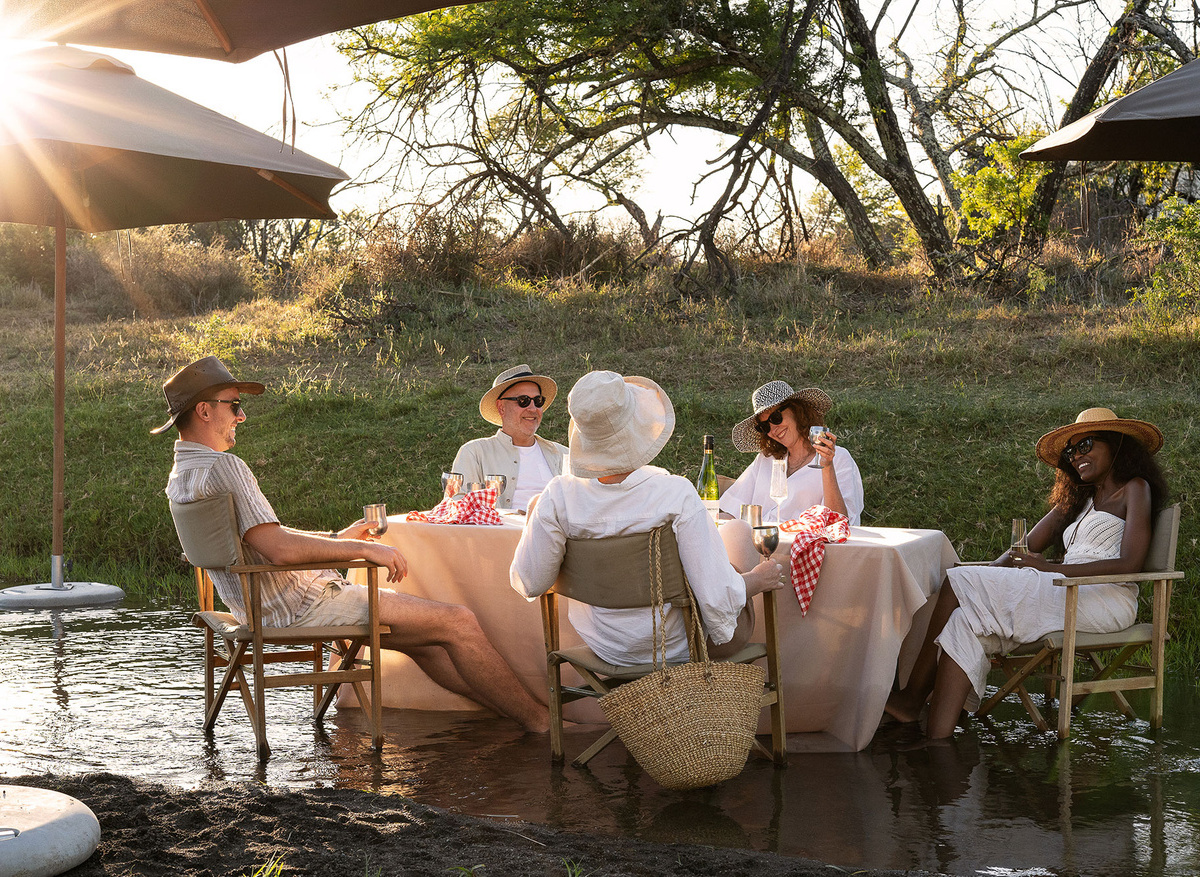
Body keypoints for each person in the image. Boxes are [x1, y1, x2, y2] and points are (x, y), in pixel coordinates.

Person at [155, 355, 550, 733]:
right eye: (233, 405)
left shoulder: (181, 474)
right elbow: (279, 548)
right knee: (458, 622)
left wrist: (337, 538)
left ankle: (515, 717)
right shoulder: (225, 466)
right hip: (300, 607)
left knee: (429, 643)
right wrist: (362, 549)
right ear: (205, 411)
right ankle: (539, 721)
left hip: (252, 607)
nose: (241, 416)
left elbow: (260, 541)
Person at [885, 407, 1169, 740]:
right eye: (1071, 451)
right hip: (1063, 589)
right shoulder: (1080, 500)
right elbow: (1022, 547)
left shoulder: (1135, 489)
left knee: (956, 581)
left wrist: (1043, 568)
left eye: (1086, 444)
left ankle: (912, 697)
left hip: (1104, 598)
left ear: (1117, 445)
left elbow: (1129, 565)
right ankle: (938, 746)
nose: (1077, 456)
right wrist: (990, 575)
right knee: (963, 621)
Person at [509, 370, 784, 666]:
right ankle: (718, 702)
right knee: (739, 535)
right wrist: (756, 580)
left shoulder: (558, 496)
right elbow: (716, 598)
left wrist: (536, 520)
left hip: (605, 647)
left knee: (733, 537)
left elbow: (529, 581)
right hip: (677, 645)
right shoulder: (674, 494)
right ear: (637, 425)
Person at [720, 381, 864, 525]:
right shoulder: (765, 460)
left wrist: (827, 468)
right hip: (761, 543)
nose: (773, 430)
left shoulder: (838, 458)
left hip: (805, 544)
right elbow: (732, 512)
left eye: (775, 418)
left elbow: (840, 523)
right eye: (764, 426)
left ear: (797, 411)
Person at [450, 364, 568, 512]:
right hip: (500, 534)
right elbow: (455, 506)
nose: (532, 408)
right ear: (501, 408)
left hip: (555, 533)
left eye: (538, 401)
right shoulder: (475, 453)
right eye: (523, 400)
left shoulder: (564, 455)